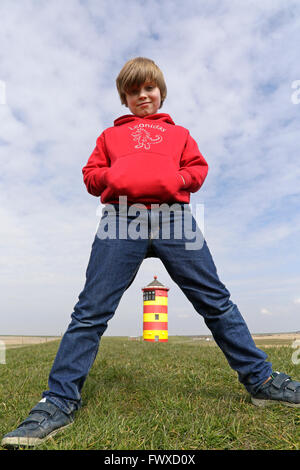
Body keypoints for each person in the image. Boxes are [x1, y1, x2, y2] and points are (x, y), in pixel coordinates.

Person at [2, 57, 299, 449]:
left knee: (216, 301)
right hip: (119, 219)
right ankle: (58, 401)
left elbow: (197, 168)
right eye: (133, 90)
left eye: (149, 88)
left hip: (175, 219)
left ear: (160, 91)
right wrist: (115, 176)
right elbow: (91, 175)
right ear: (124, 98)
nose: (143, 95)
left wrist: (174, 179)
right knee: (90, 310)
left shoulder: (180, 134)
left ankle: (261, 381)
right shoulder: (109, 137)